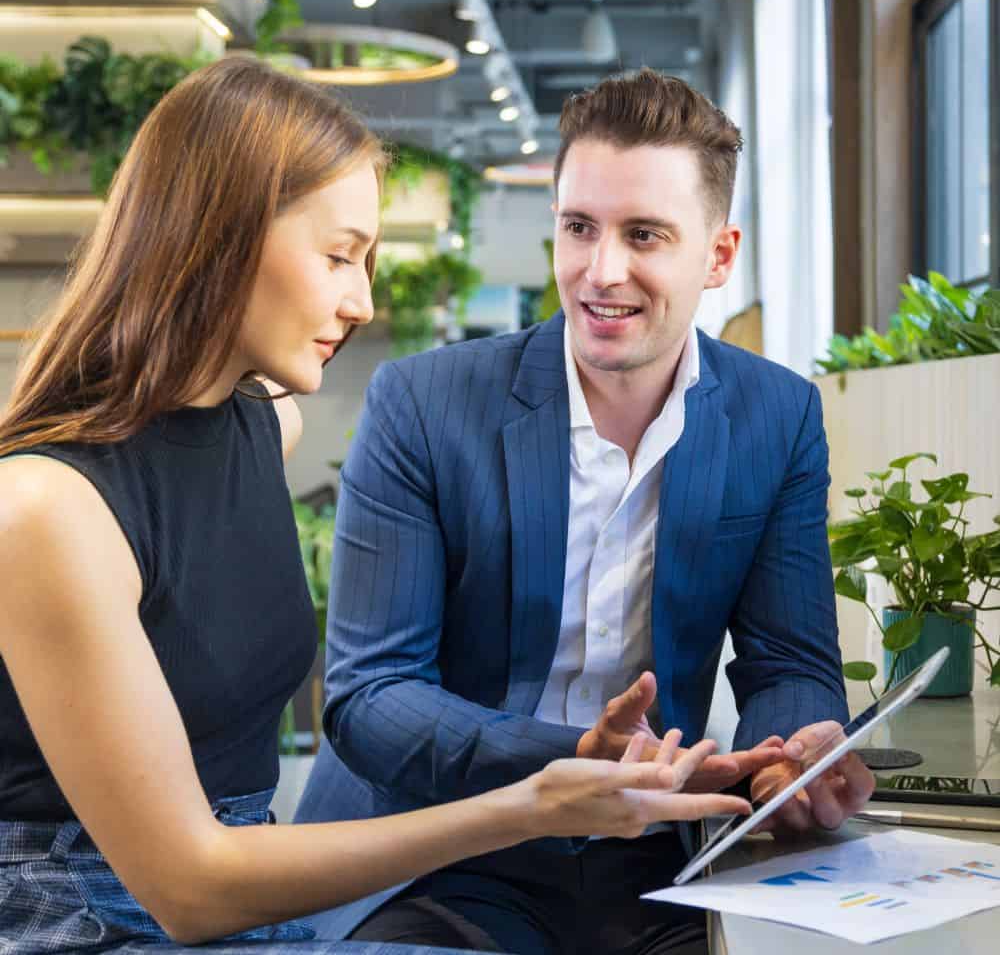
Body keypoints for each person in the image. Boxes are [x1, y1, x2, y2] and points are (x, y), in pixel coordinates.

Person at [0, 59, 761, 955]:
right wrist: (525, 808)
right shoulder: (44, 509)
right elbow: (189, 891)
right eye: (338, 255)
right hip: (87, 922)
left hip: (248, 894)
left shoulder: (263, 425)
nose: (361, 300)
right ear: (217, 235)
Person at [294, 68, 876, 955]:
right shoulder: (422, 403)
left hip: (653, 852)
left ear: (718, 255)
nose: (602, 272)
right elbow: (370, 698)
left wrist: (792, 755)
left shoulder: (777, 416)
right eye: (579, 228)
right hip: (442, 848)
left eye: (644, 234)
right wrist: (572, 758)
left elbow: (789, 660)